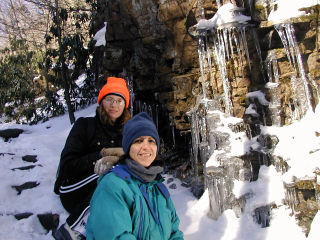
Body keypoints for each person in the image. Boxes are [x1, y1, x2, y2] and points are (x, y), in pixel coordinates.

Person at [53, 77, 131, 240]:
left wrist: (121, 157)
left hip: (110, 191)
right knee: (114, 174)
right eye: (109, 99)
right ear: (101, 101)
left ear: (125, 105)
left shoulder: (128, 132)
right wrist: (100, 155)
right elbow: (67, 166)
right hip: (73, 189)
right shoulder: (84, 126)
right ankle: (74, 229)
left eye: (119, 100)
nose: (114, 105)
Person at [86, 112, 184, 240]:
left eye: (151, 141)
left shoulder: (158, 186)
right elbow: (117, 236)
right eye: (138, 141)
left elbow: (174, 232)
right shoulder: (112, 186)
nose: (146, 147)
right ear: (128, 147)